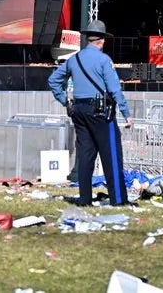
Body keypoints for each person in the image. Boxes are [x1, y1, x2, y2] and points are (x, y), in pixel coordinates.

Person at [48, 20, 133, 206]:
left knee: (86, 156)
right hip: (100, 112)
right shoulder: (104, 60)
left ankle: (85, 198)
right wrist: (126, 112)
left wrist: (65, 101)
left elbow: (53, 80)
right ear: (101, 40)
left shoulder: (74, 59)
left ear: (88, 39)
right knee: (111, 155)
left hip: (79, 111)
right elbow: (114, 89)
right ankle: (119, 199)